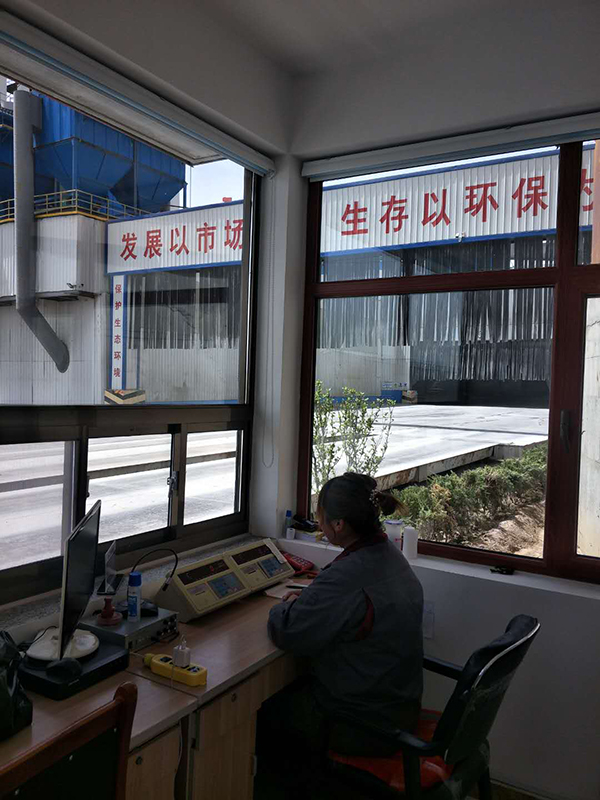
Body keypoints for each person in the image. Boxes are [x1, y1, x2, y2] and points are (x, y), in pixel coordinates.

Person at [257, 472, 423, 794]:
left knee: (265, 712)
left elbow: (287, 630)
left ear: (338, 525)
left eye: (320, 515)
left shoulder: (348, 575)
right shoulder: (390, 556)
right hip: (398, 711)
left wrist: (283, 607)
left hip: (361, 726)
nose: (318, 522)